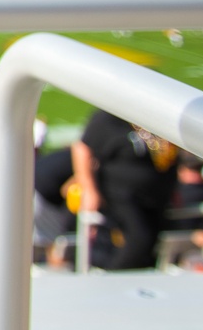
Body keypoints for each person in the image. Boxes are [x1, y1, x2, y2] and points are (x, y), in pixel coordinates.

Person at [74, 108, 179, 270]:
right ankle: (114, 281)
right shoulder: (110, 118)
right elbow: (82, 148)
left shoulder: (157, 114)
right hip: (122, 195)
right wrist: (89, 189)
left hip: (156, 196)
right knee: (139, 239)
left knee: (154, 242)